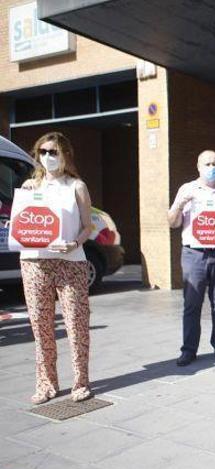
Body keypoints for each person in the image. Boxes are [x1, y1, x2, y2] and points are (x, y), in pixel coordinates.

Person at [19, 132, 95, 403]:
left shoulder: (76, 186)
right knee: (41, 327)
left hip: (70, 262)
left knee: (76, 323)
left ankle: (80, 382)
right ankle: (46, 384)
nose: (48, 157)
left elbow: (89, 226)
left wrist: (74, 243)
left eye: (53, 152)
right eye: (43, 152)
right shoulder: (29, 186)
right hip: (34, 262)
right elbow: (22, 220)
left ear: (65, 155)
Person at [167, 150, 215, 366]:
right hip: (194, 255)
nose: (212, 167)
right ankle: (189, 350)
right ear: (198, 166)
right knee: (192, 304)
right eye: (207, 164)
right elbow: (172, 222)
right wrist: (179, 204)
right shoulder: (187, 189)